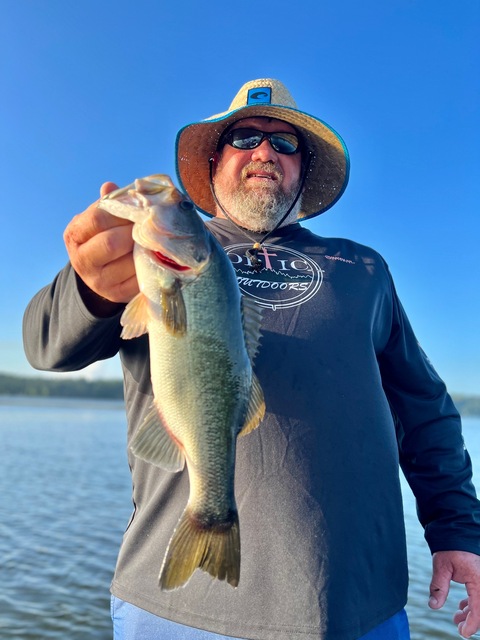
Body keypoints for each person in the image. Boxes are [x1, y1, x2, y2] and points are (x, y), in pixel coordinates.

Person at [23, 78, 480, 640]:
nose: (265, 152)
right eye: (244, 138)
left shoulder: (363, 269)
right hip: (173, 609)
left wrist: (457, 528)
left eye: (285, 144)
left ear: (302, 172)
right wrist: (88, 292)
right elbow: (46, 344)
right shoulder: (146, 264)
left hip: (353, 605)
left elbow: (425, 408)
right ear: (213, 166)